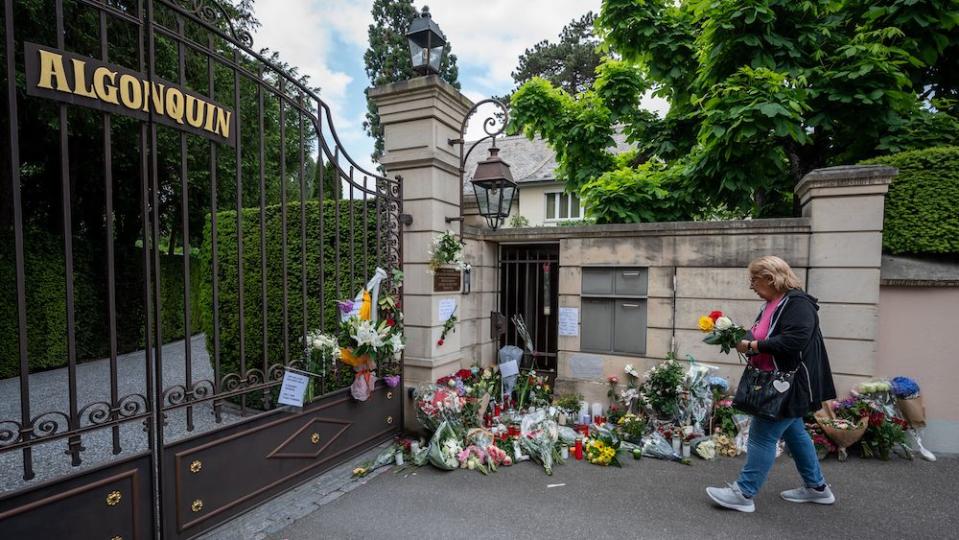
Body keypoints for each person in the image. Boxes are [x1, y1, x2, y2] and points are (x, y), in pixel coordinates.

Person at [706, 255, 837, 513]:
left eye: (754, 279)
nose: (751, 285)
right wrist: (733, 334)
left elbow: (794, 340)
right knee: (795, 432)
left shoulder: (798, 303)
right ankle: (817, 488)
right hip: (781, 382)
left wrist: (753, 345)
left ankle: (744, 493)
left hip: (789, 383)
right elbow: (764, 336)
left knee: (761, 436)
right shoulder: (774, 303)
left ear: (771, 278)